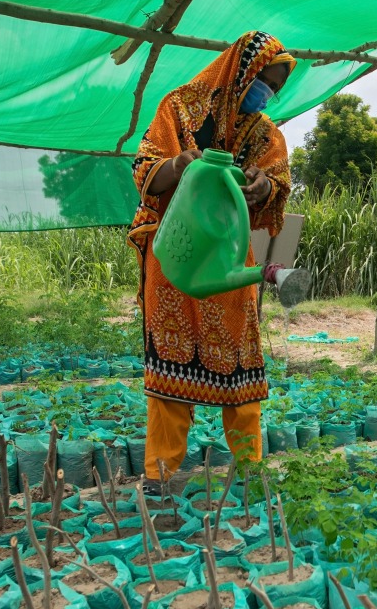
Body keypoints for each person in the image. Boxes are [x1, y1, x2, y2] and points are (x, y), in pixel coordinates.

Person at [126, 31, 295, 493]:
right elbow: (144, 168)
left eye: (276, 89)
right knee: (169, 369)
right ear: (242, 71)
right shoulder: (179, 108)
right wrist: (180, 165)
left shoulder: (264, 134)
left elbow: (277, 188)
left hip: (227, 258)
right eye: (266, 82)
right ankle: (160, 476)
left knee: (240, 368)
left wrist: (263, 187)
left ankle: (250, 470)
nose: (268, 94)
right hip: (177, 251)